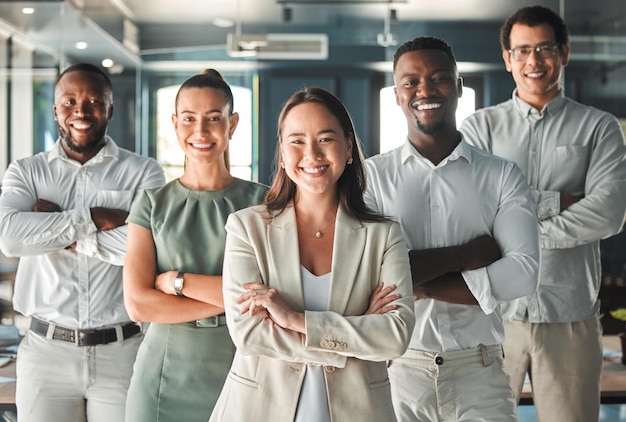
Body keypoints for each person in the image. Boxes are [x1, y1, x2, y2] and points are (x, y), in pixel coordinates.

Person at [460, 6, 626, 422]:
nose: (533, 61)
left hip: (569, 313)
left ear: (564, 53)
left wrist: (516, 226)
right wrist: (561, 200)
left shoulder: (599, 128)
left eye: (545, 48)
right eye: (522, 50)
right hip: (492, 316)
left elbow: (608, 213)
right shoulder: (480, 128)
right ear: (508, 59)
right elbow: (474, 210)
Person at [209, 86, 415, 422]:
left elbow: (394, 337)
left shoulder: (385, 235)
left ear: (348, 147)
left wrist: (294, 320)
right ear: (282, 153)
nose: (312, 154)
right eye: (297, 141)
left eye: (325, 139)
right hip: (257, 410)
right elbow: (248, 333)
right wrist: (356, 332)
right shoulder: (247, 229)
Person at [364, 36, 540, 422]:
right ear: (396, 95)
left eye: (439, 77)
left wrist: (416, 284)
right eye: (410, 82)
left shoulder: (502, 175)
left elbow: (522, 274)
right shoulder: (371, 179)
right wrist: (466, 256)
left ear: (459, 87)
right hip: (398, 373)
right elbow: (367, 276)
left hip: (481, 374)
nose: (424, 90)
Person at [0, 63, 165, 422]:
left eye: (93, 101)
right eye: (70, 101)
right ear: (56, 109)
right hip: (46, 352)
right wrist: (94, 218)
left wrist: (57, 230)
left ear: (109, 109)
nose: (81, 110)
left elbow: (146, 249)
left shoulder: (144, 171)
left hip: (123, 351)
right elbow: (11, 238)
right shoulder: (27, 172)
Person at [123, 69, 268, 422]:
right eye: (189, 119)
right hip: (163, 379)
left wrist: (178, 283)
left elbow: (275, 296)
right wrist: (232, 303)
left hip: (244, 372)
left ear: (232, 124)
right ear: (175, 124)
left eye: (213, 118)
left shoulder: (264, 202)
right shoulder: (151, 203)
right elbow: (139, 305)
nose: (200, 132)